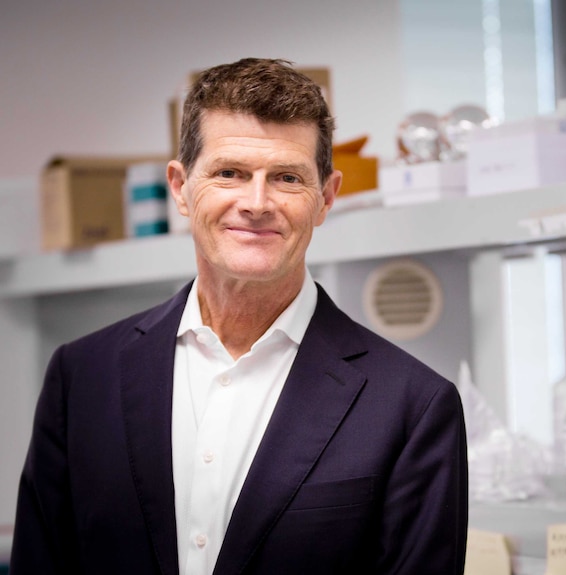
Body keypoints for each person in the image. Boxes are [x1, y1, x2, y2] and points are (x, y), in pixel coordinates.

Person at [11, 58, 468, 574]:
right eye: (229, 173)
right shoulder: (83, 376)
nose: (256, 202)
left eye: (287, 178)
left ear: (326, 198)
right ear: (181, 187)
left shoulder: (412, 407)